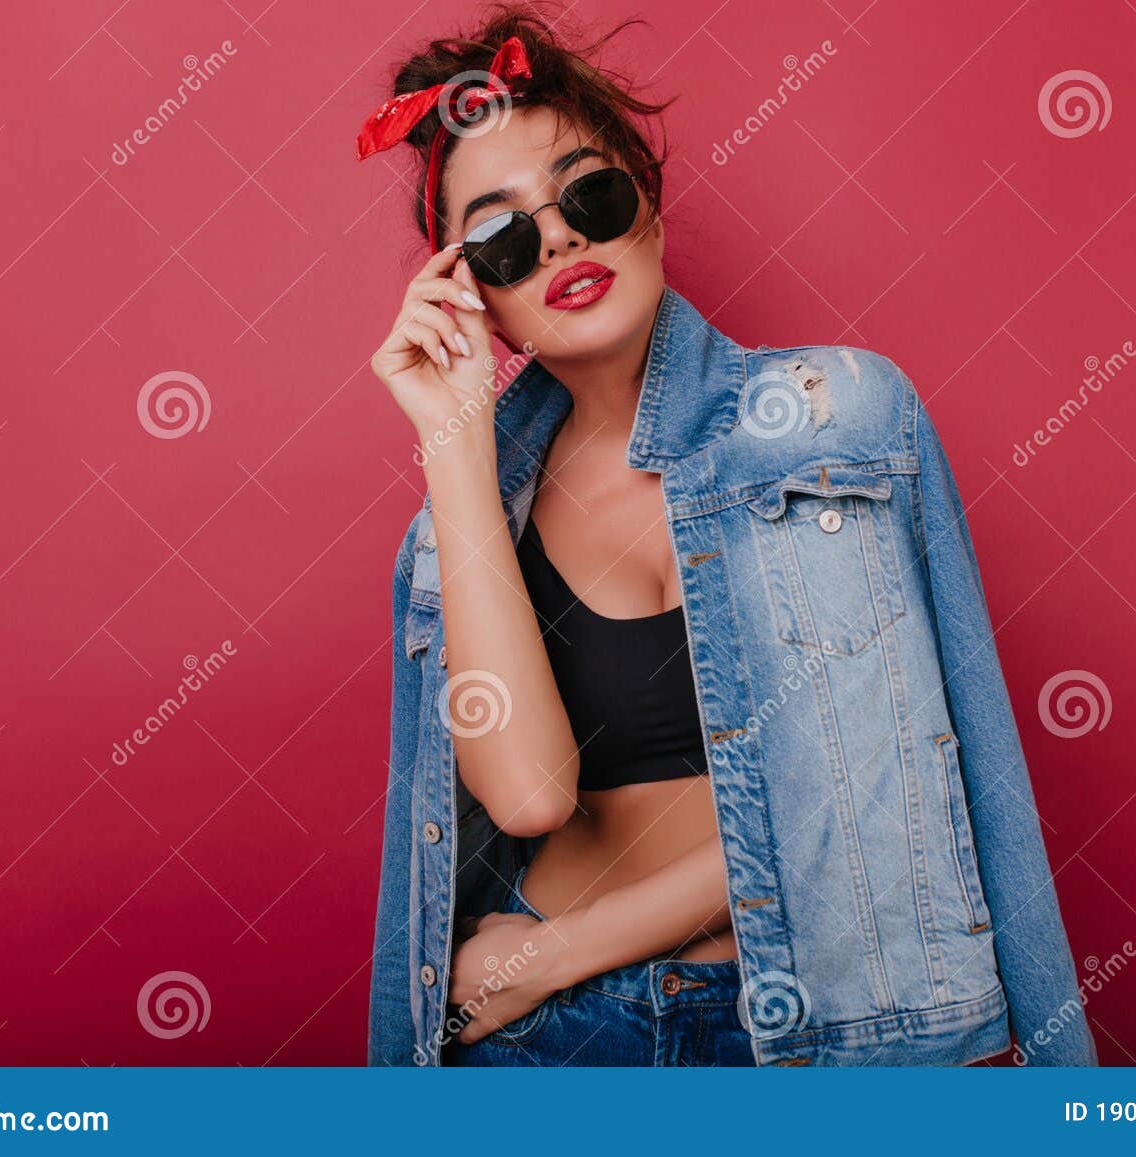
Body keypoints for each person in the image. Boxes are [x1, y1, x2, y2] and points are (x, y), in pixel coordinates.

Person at [360, 4, 1096, 1068]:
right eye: (502, 235)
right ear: (474, 297)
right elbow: (529, 793)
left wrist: (557, 949)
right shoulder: (455, 531)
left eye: (589, 192)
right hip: (550, 1046)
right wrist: (455, 442)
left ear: (649, 210)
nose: (559, 234)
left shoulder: (837, 422)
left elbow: (890, 789)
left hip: (831, 1031)